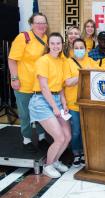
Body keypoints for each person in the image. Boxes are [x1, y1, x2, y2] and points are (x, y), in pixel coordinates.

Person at [28, 32, 71, 178]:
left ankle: (55, 161)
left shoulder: (62, 61)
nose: (55, 46)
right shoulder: (43, 60)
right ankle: (47, 165)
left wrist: (63, 103)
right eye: (52, 43)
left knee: (67, 136)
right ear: (48, 45)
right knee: (59, 137)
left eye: (58, 43)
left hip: (57, 99)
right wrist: (54, 107)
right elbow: (44, 87)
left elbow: (61, 86)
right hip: (41, 101)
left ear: (62, 44)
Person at [8, 13, 48, 152]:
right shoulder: (23, 37)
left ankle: (42, 137)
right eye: (38, 22)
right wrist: (14, 78)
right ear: (31, 24)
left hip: (40, 86)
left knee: (42, 113)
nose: (41, 25)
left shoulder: (47, 39)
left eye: (43, 23)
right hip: (24, 85)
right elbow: (12, 59)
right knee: (25, 114)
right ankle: (27, 139)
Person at [64, 38, 98, 167]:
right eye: (76, 48)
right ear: (73, 49)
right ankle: (76, 152)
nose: (79, 50)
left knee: (87, 130)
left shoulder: (91, 62)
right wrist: (84, 74)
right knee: (76, 131)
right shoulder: (68, 62)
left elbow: (100, 75)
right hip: (73, 103)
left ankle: (85, 152)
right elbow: (67, 82)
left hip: (88, 103)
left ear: (86, 49)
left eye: (81, 47)